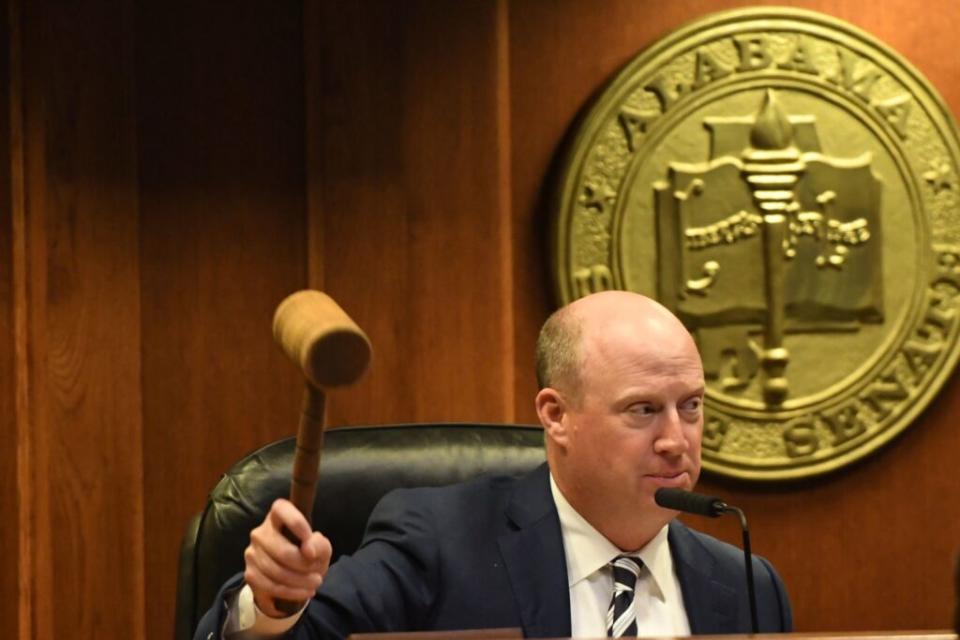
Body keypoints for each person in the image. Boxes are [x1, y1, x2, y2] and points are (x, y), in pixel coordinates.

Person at [194, 291, 793, 639]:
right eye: (642, 411)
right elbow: (302, 633)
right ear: (556, 415)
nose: (676, 440)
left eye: (690, 407)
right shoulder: (442, 543)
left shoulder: (746, 584)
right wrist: (272, 605)